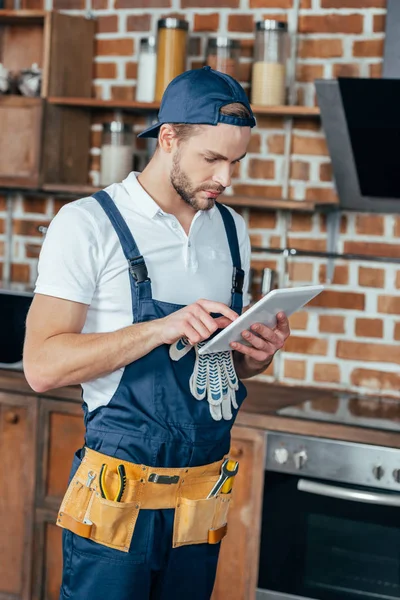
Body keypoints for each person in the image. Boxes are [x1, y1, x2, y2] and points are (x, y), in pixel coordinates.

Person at [23, 66, 290, 600]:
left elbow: (211, 363)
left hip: (200, 503)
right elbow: (42, 366)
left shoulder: (232, 230)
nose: (226, 178)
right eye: (211, 159)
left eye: (236, 161)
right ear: (168, 138)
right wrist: (156, 328)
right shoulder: (88, 224)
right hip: (117, 503)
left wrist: (251, 359)